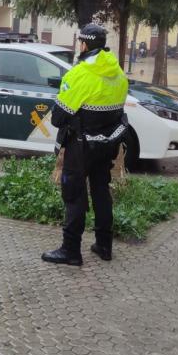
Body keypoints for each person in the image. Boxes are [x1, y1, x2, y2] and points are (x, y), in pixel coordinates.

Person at [42, 24, 129, 266]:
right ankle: (104, 245)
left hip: (80, 147)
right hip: (107, 145)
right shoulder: (118, 73)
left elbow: (58, 117)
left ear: (83, 44)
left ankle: (71, 251)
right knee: (101, 191)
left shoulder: (79, 75)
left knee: (74, 195)